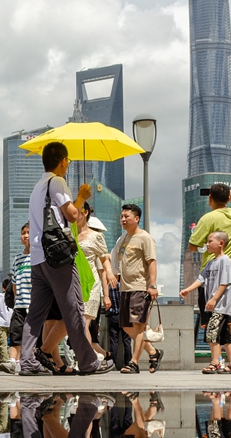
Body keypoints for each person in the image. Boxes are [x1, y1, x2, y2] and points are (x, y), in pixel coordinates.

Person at [16, 144, 109, 377]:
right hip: (57, 258)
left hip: (38, 257)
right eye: (68, 161)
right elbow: (72, 215)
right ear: (64, 161)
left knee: (36, 313)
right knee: (74, 308)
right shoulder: (56, 182)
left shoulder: (37, 186)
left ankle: (27, 361)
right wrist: (81, 197)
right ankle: (88, 362)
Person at [188, 183, 231, 366]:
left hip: (211, 273)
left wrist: (205, 246)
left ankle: (216, 358)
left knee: (209, 317)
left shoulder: (208, 218)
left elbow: (192, 245)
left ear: (209, 199)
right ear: (228, 198)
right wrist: (227, 190)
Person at [180, 231, 231, 373]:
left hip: (220, 305)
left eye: (210, 241)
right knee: (225, 334)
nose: (207, 244)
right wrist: (188, 289)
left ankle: (215, 362)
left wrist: (213, 299)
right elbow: (201, 279)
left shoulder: (225, 260)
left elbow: (225, 283)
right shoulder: (211, 262)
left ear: (221, 243)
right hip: (214, 305)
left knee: (211, 332)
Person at [110, 205, 161, 374]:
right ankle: (153, 352)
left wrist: (152, 285)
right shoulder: (123, 239)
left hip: (140, 287)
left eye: (127, 216)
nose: (123, 220)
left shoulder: (144, 238)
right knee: (125, 326)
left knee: (138, 326)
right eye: (121, 216)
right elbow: (114, 258)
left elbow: (151, 262)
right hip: (125, 288)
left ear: (136, 218)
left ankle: (134, 362)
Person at [76, 207, 112, 364]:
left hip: (90, 283)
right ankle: (88, 357)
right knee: (76, 323)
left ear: (85, 213)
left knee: (84, 322)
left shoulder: (96, 236)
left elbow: (104, 258)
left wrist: (110, 274)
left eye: (76, 212)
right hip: (72, 283)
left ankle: (86, 358)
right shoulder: (68, 235)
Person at [6, 223, 32, 374]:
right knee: (15, 332)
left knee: (32, 335)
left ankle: (28, 361)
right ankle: (11, 361)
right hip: (20, 305)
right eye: (23, 233)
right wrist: (16, 301)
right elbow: (14, 284)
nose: (25, 236)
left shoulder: (38, 257)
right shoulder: (17, 259)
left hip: (34, 305)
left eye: (29, 232)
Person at [0, 278, 14, 367]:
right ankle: (14, 361)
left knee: (3, 345)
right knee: (15, 343)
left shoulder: (0, 296)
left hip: (1, 323)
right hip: (13, 322)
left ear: (3, 287)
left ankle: (5, 362)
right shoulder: (15, 296)